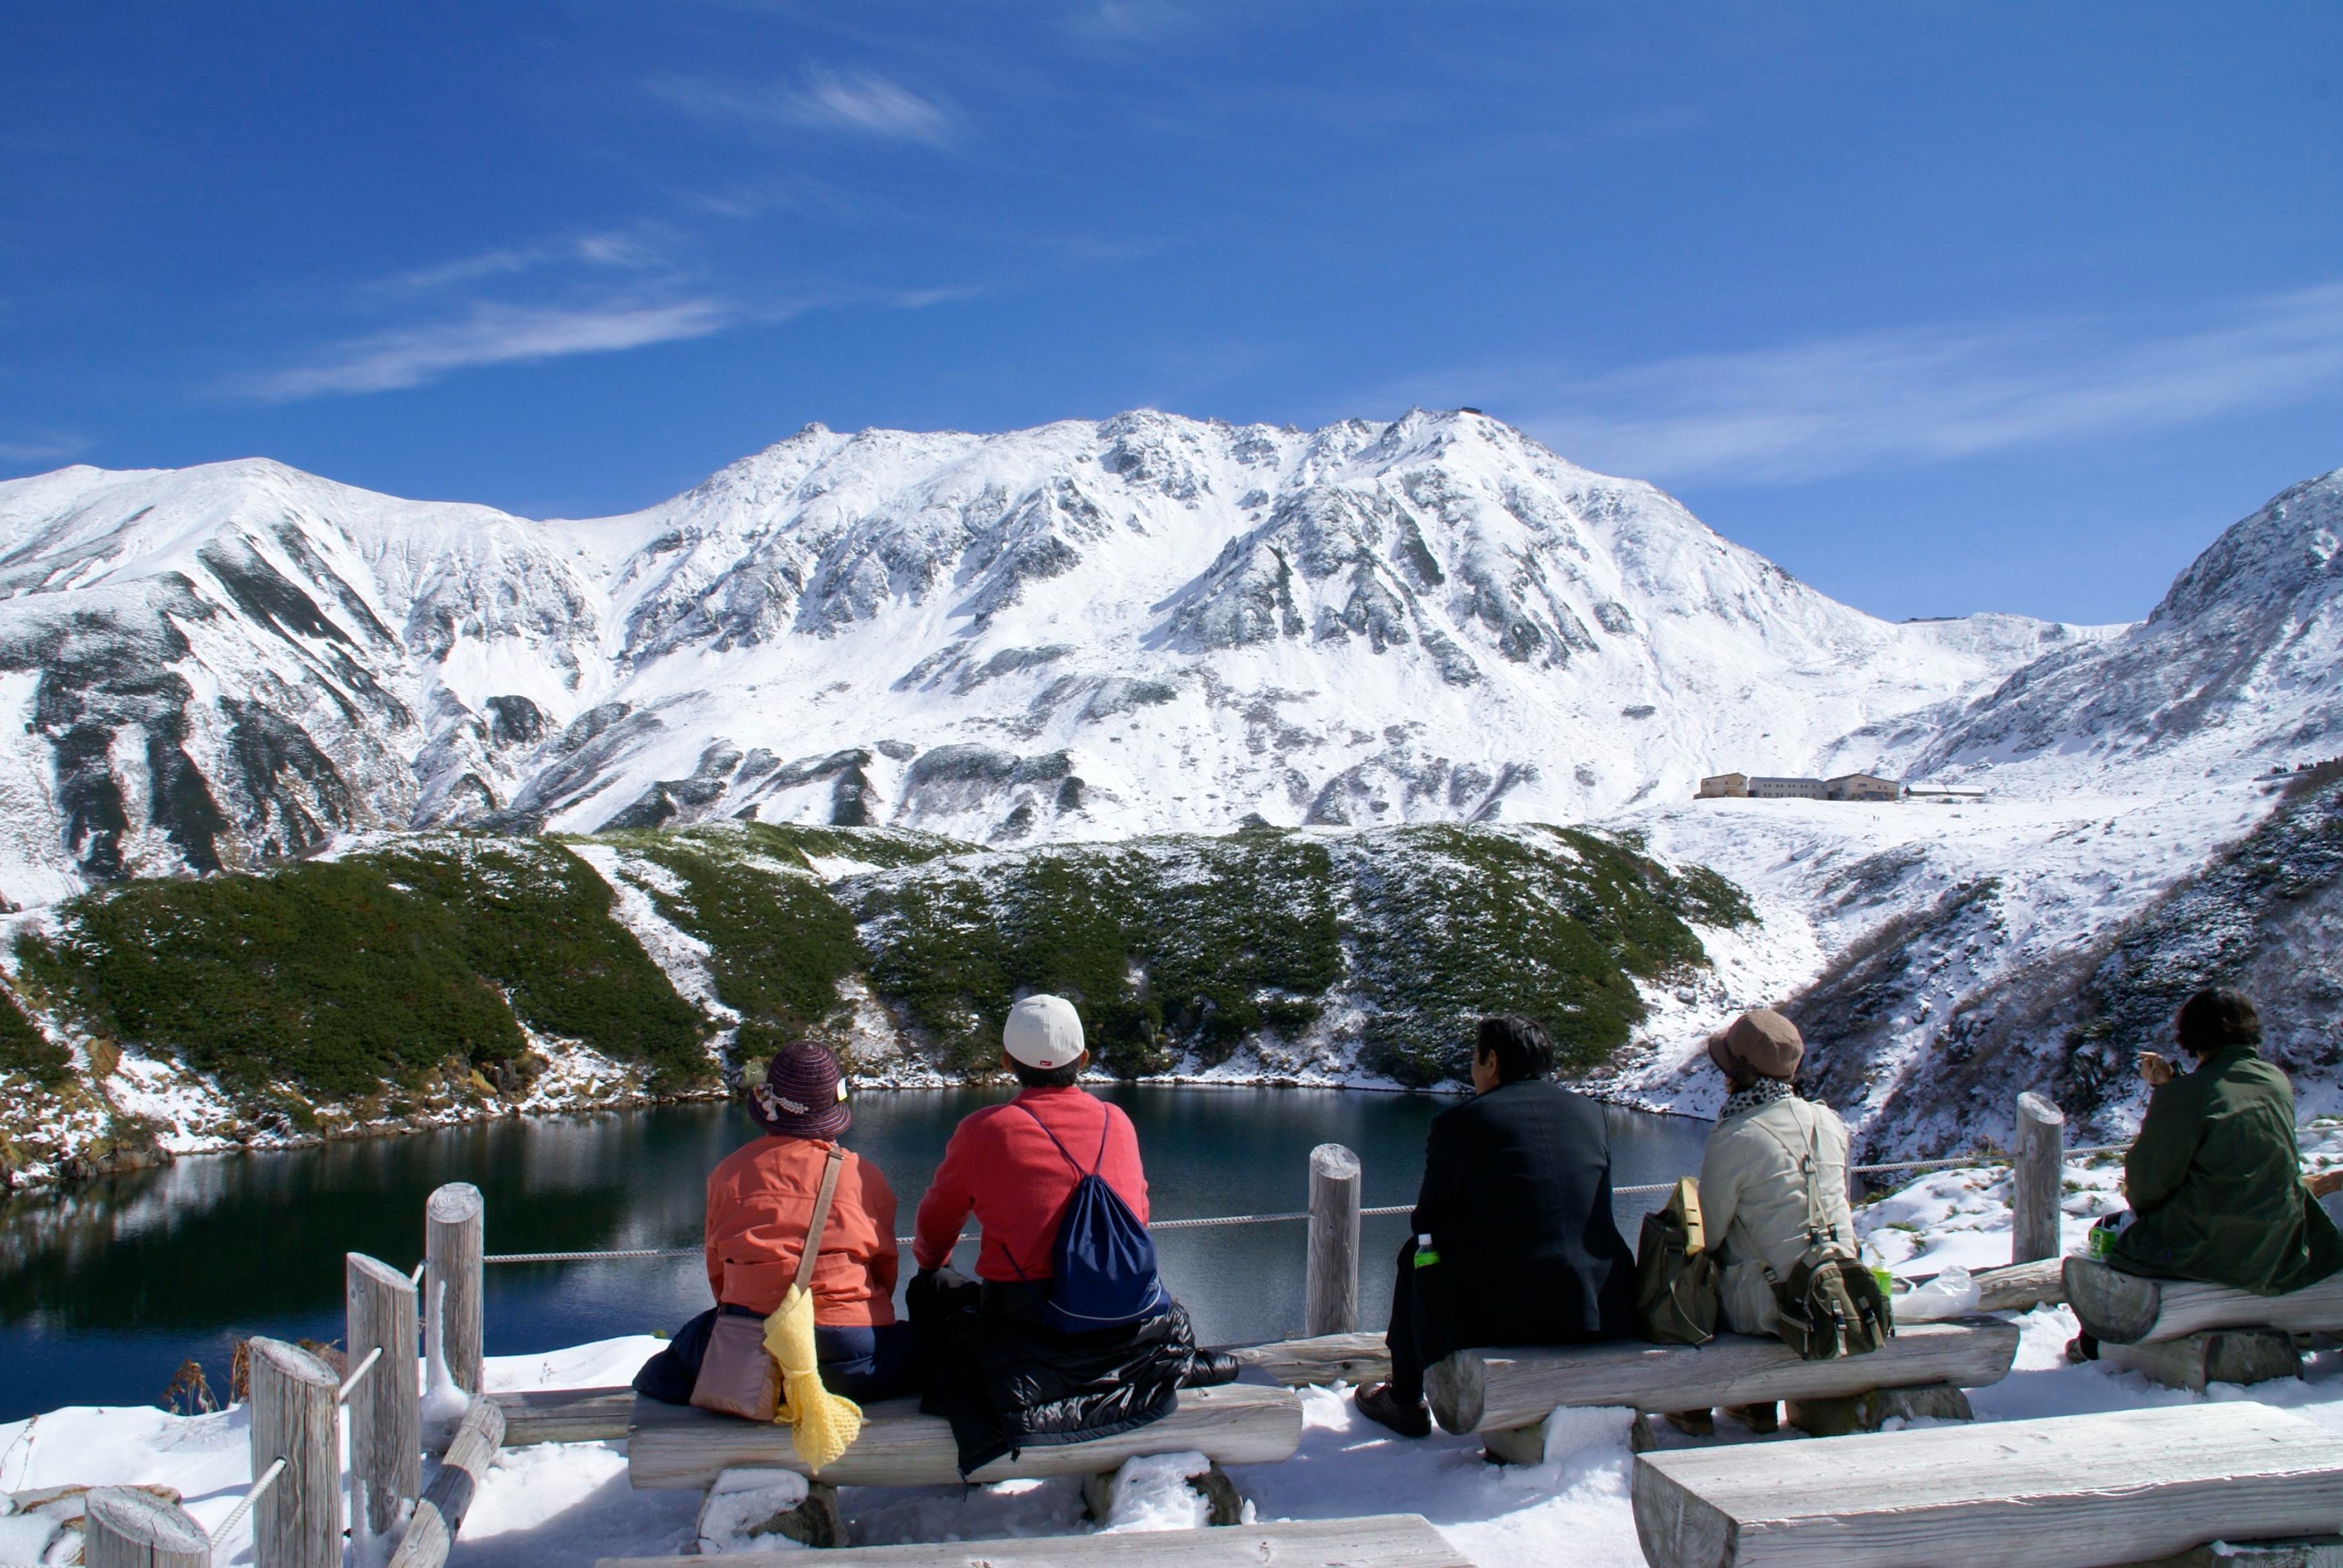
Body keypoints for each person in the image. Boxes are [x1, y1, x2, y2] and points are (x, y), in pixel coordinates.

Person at [909, 994, 1238, 1476]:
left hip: (1022, 1321)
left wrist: (932, 1265)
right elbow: (1137, 1215)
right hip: (1125, 1314)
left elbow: (936, 1228)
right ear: (1083, 1060)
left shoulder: (984, 1130)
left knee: (933, 1288)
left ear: (1006, 1062)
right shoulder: (1117, 1122)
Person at [1354, 1015, 1637, 1438]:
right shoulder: (1590, 1113)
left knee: (1415, 1255)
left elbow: (1427, 1218)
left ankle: (1405, 1398)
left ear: (1491, 1061)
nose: (1472, 1068)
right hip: (1603, 1298)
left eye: (1475, 1057)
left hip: (1513, 1309)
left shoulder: (1462, 1122)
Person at [633, 1042, 922, 1406]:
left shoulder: (728, 1174)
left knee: (685, 1348)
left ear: (769, 1107)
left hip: (755, 1350)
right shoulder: (864, 1175)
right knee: (926, 1344)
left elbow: (718, 1273)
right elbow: (884, 1270)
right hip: (851, 1358)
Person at [1674, 1007, 1853, 1435]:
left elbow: (1708, 1235)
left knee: (1690, 1263)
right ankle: (1753, 1404)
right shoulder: (1830, 1122)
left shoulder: (1737, 1134)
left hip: (1773, 1306)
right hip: (1840, 1292)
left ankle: (1693, 1401)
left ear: (1737, 1075)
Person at [2103, 987, 2343, 1295]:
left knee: (2110, 1238)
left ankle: (2095, 1344)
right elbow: (2225, 1104)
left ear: (2190, 1036)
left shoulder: (2185, 1096)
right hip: (2281, 1243)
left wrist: (2170, 1093)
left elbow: (2148, 1187)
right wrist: (2177, 1086)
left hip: (2214, 1248)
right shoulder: (2275, 1080)